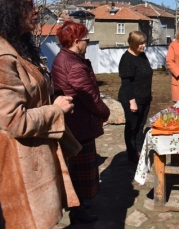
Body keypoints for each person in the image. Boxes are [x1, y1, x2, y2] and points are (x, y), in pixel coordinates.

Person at [0, 0, 79, 228]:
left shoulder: (17, 46)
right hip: (18, 169)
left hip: (32, 163)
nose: (36, 10)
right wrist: (56, 110)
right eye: (28, 5)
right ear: (7, 8)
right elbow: (13, 120)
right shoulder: (3, 56)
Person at [52, 21, 110, 224]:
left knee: (76, 169)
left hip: (75, 123)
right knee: (80, 172)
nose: (88, 43)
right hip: (79, 124)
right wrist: (105, 112)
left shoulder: (64, 57)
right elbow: (90, 97)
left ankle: (78, 204)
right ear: (77, 42)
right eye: (86, 39)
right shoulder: (74, 64)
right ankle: (77, 211)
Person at [118, 31, 153, 163]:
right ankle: (132, 153)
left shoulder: (142, 55)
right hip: (132, 98)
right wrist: (132, 102)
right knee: (132, 126)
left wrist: (149, 94)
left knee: (141, 126)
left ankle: (140, 150)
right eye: (141, 43)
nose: (144, 45)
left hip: (145, 97)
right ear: (133, 43)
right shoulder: (126, 59)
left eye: (144, 43)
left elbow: (146, 75)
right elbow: (126, 83)